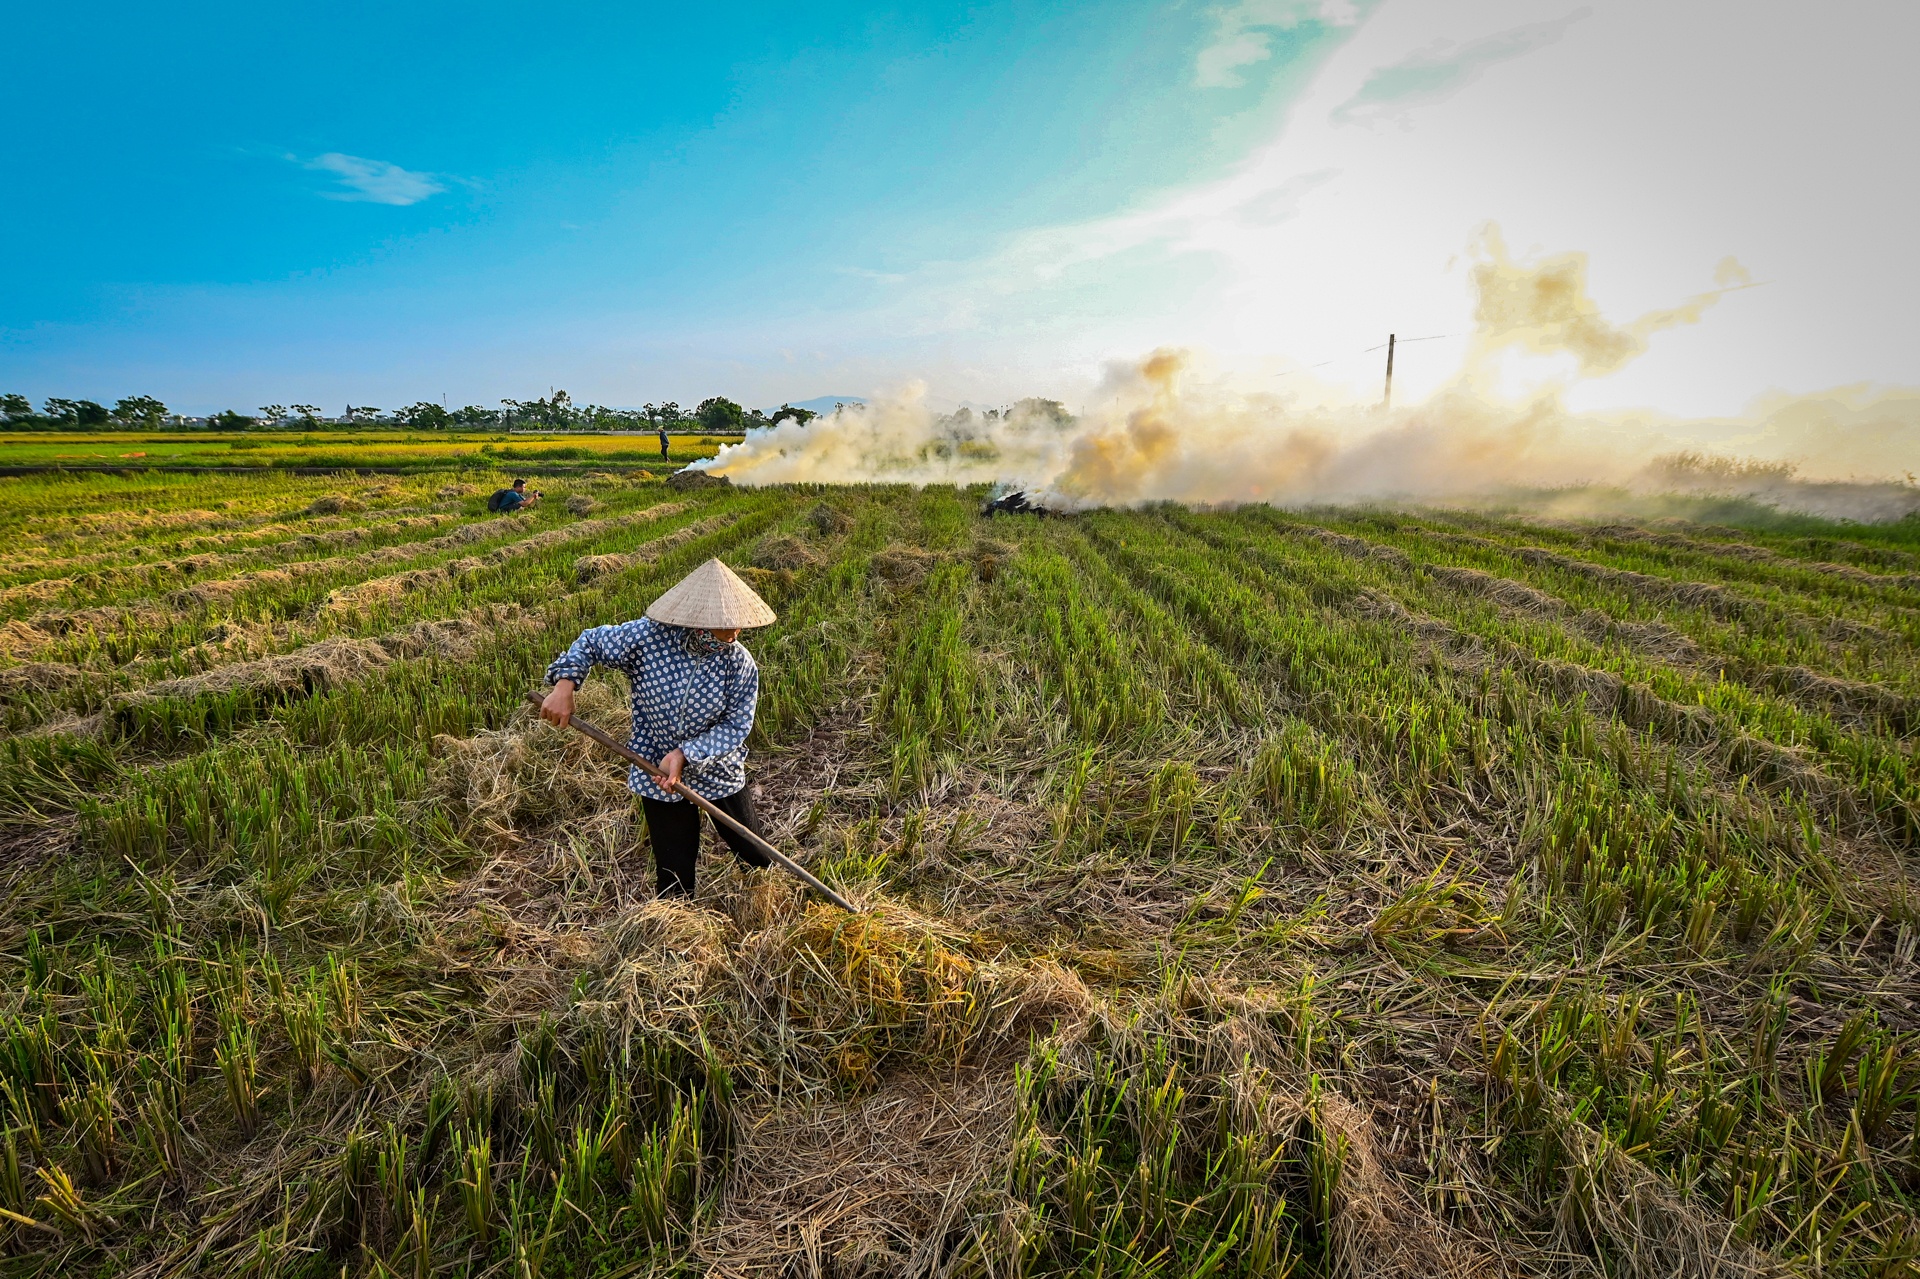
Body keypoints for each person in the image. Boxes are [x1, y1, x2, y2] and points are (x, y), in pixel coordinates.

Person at [539, 558, 778, 898]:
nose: (734, 634)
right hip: (655, 766)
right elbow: (591, 642)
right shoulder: (648, 638)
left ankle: (769, 893)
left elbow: (736, 725)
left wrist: (685, 754)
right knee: (674, 870)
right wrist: (565, 686)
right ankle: (677, 924)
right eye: (725, 626)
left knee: (751, 849)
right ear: (698, 621)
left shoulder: (737, 663)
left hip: (716, 766)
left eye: (738, 626)